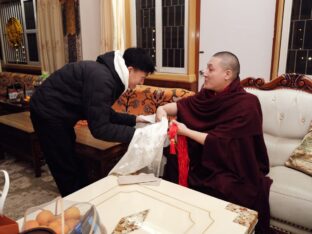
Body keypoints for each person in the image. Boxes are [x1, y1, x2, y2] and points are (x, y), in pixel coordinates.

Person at [156, 51, 272, 233]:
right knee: (173, 162)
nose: (204, 73)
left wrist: (185, 131)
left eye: (210, 69)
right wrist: (161, 109)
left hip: (234, 164)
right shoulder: (207, 95)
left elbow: (221, 142)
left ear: (227, 74)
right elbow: (182, 106)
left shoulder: (247, 103)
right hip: (205, 157)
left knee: (225, 186)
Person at [30, 47, 155, 196]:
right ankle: (76, 206)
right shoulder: (103, 79)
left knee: (71, 157)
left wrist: (135, 119)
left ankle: (83, 196)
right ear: (130, 69)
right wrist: (137, 134)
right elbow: (100, 129)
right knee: (64, 164)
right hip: (47, 112)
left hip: (59, 113)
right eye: (142, 77)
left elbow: (102, 112)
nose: (141, 82)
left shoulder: (108, 74)